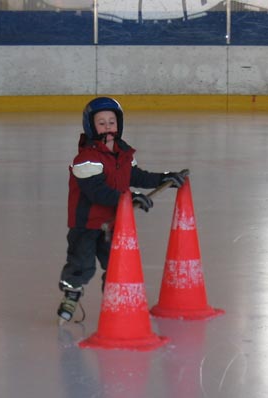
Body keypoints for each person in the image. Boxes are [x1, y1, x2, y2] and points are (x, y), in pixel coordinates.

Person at [57, 96, 186, 324]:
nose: (108, 126)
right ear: (90, 126)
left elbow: (135, 176)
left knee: (115, 263)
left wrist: (162, 178)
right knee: (82, 265)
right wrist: (130, 197)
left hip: (114, 222)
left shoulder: (123, 153)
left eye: (112, 121)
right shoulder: (85, 160)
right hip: (86, 225)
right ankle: (72, 293)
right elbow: (97, 192)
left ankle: (115, 301)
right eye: (101, 122)